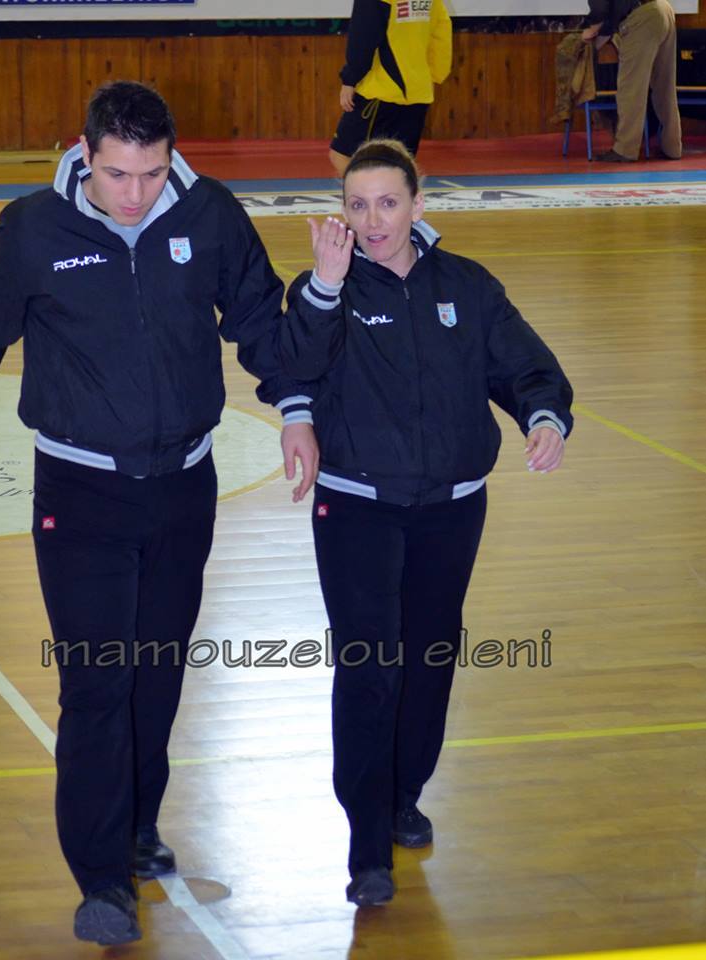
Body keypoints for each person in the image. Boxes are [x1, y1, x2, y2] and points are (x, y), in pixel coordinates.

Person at [0, 81, 318, 946]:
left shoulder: (210, 216)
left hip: (183, 486)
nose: (134, 195)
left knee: (157, 671)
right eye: (115, 175)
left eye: (150, 173)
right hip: (80, 493)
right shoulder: (35, 229)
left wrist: (294, 409)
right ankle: (102, 880)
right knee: (98, 682)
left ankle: (138, 825)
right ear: (84, 155)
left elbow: (259, 317)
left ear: (171, 157)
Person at [278, 139, 573, 907]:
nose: (371, 221)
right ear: (340, 213)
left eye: (387, 203)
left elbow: (525, 367)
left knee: (429, 658)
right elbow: (289, 367)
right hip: (354, 507)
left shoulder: (465, 285)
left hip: (452, 507)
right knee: (369, 665)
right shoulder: (325, 288)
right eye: (356, 205)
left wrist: (543, 417)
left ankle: (403, 793)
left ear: (417, 204)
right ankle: (365, 844)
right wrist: (323, 286)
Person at [330, 0, 452, 176]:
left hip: (381, 90)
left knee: (342, 155)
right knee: (400, 163)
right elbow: (441, 33)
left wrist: (350, 79)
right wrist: (433, 76)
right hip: (418, 91)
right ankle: (398, 194)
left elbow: (363, 37)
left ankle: (369, 193)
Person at [583, 0, 683, 161]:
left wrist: (593, 29)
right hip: (663, 9)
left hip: (640, 18)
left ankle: (625, 149)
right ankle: (672, 147)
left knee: (631, 89)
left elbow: (601, 7)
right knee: (665, 87)